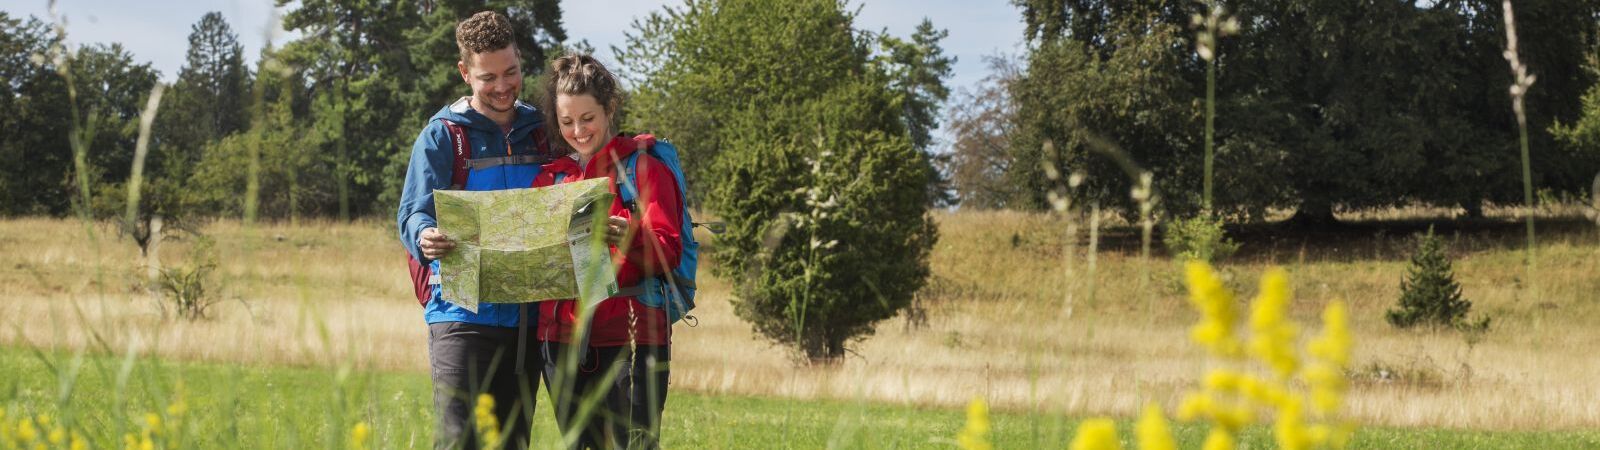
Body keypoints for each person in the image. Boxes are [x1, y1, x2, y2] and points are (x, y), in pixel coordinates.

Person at [396, 11, 546, 450]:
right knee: (460, 441)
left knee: (511, 443)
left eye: (512, 72)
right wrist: (425, 235)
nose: (503, 86)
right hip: (460, 316)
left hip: (526, 319)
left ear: (521, 61)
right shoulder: (442, 137)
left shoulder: (541, 131)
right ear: (465, 73)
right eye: (488, 77)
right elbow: (411, 214)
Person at [533, 53, 682, 450]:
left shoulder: (644, 170)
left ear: (609, 109)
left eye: (588, 118)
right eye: (567, 122)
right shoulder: (550, 178)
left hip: (631, 338)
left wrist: (629, 237)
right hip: (559, 341)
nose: (578, 131)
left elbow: (668, 253)